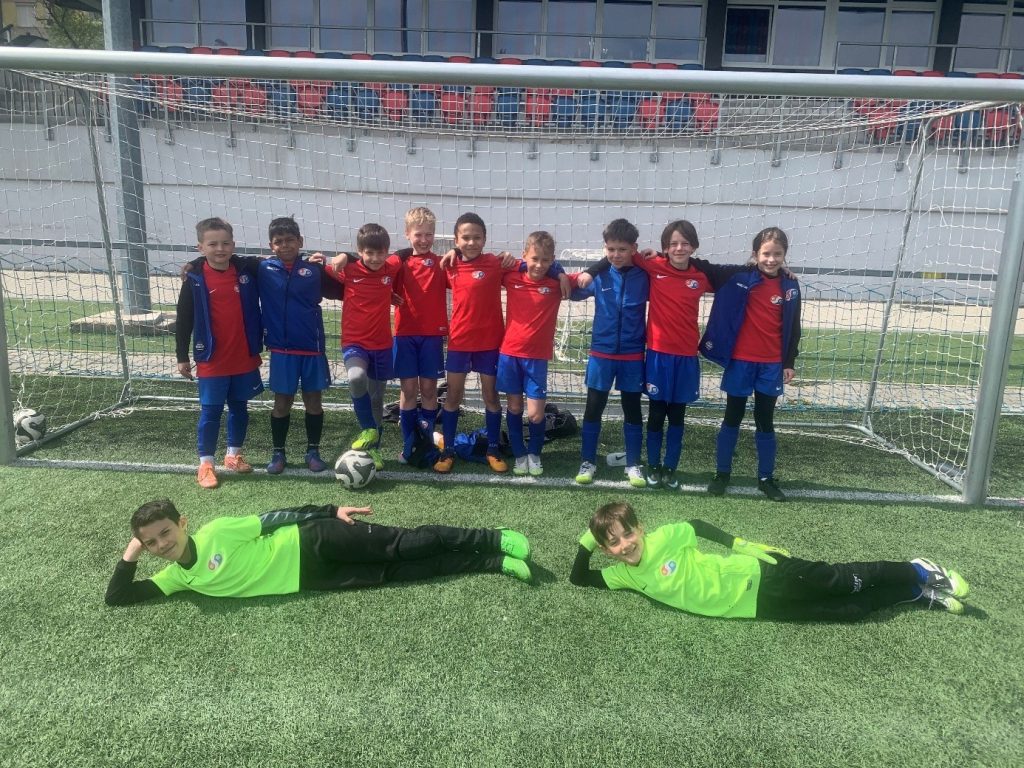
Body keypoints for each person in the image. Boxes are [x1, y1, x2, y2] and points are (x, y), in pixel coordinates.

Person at [569, 501, 973, 621]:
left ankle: (919, 569)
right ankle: (914, 592)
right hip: (754, 608)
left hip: (759, 574)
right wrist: (590, 539)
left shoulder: (664, 538)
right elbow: (579, 579)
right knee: (850, 611)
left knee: (839, 580)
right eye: (614, 544)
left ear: (640, 528)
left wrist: (739, 543)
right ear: (607, 551)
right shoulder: (623, 575)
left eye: (627, 535)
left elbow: (695, 525)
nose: (625, 546)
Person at [105, 499, 532, 606]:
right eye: (152, 542)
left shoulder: (217, 532)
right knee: (404, 572)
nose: (162, 545)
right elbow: (119, 597)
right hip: (314, 579)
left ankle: (491, 538)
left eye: (165, 533)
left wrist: (329, 511)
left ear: (182, 523)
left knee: (407, 545)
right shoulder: (176, 578)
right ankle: (493, 563)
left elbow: (272, 518)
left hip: (313, 540)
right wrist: (131, 553)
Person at [699, 226, 801, 502]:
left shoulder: (790, 286)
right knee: (732, 416)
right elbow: (703, 266)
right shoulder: (739, 276)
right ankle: (722, 473)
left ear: (784, 255)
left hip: (771, 365)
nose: (771, 259)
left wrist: (788, 361)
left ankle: (766, 478)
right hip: (741, 362)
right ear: (755, 254)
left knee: (765, 420)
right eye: (766, 254)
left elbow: (794, 326)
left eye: (777, 254)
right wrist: (660, 255)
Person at [175, 217, 263, 489]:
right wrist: (181, 356)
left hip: (243, 355)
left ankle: (233, 455)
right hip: (212, 358)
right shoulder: (195, 278)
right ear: (201, 247)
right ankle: (206, 464)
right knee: (211, 411)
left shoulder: (245, 269)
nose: (220, 249)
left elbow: (271, 261)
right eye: (212, 244)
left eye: (225, 243)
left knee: (240, 407)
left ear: (233, 245)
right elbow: (184, 319)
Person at [260, 216, 344, 475]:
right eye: (279, 242)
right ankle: (278, 453)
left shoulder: (314, 270)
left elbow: (345, 289)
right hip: (282, 350)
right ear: (271, 245)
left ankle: (313, 451)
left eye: (290, 240)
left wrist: (340, 259)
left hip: (311, 348)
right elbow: (229, 261)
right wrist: (195, 264)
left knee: (313, 402)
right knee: (281, 403)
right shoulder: (262, 268)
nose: (285, 245)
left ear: (300, 241)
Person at [569, 219, 649, 488]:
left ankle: (633, 463)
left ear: (634, 248)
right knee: (594, 407)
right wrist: (581, 273)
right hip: (601, 354)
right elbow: (570, 288)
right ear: (604, 248)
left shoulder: (644, 276)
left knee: (632, 409)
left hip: (632, 355)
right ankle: (587, 461)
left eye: (622, 249)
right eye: (611, 249)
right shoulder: (599, 275)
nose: (616, 254)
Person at [326, 223, 404, 470]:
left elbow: (405, 254)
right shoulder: (348, 269)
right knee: (356, 377)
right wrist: (343, 256)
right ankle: (368, 428)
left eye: (381, 253)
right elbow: (320, 265)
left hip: (382, 345)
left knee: (377, 399)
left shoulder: (390, 267)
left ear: (387, 252)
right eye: (369, 253)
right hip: (355, 343)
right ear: (360, 252)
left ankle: (374, 450)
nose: (375, 258)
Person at [497, 231, 575, 476]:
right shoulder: (511, 277)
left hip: (537, 359)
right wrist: (511, 260)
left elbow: (586, 279)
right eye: (534, 259)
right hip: (509, 355)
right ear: (524, 256)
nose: (539, 265)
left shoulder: (555, 284)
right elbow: (492, 265)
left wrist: (561, 273)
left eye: (545, 260)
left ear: (552, 260)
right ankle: (520, 454)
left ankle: (534, 453)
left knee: (535, 413)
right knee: (514, 407)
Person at [391, 207, 448, 465]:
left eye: (429, 234)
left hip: (432, 336)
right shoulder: (398, 263)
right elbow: (379, 280)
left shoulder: (441, 263)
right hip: (405, 335)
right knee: (408, 390)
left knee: (428, 390)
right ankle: (408, 446)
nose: (424, 240)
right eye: (418, 234)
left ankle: (425, 444)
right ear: (407, 234)